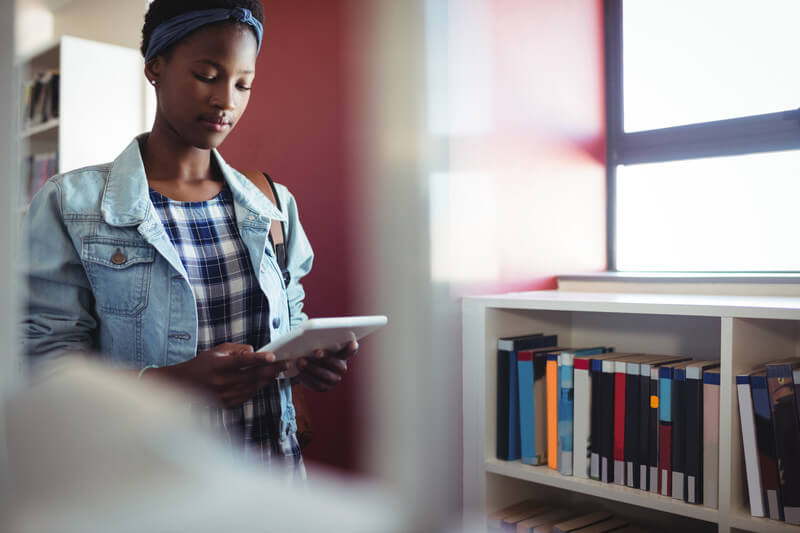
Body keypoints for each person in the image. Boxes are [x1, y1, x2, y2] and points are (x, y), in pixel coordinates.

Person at [20, 0, 355, 480]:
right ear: (155, 67)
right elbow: (45, 373)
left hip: (271, 480)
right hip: (146, 488)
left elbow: (290, 319)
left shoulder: (273, 203)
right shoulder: (71, 206)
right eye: (206, 75)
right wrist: (174, 383)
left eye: (244, 85)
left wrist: (306, 361)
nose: (227, 101)